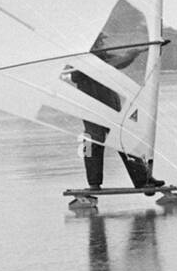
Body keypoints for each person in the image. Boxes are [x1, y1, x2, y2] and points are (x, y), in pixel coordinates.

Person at [70, 32, 165, 195]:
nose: (102, 46)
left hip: (112, 109)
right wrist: (131, 53)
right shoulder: (81, 63)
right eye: (99, 43)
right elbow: (114, 62)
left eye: (101, 43)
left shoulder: (104, 57)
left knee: (126, 141)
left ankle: (143, 179)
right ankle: (93, 183)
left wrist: (147, 49)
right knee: (92, 143)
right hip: (92, 111)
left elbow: (121, 60)